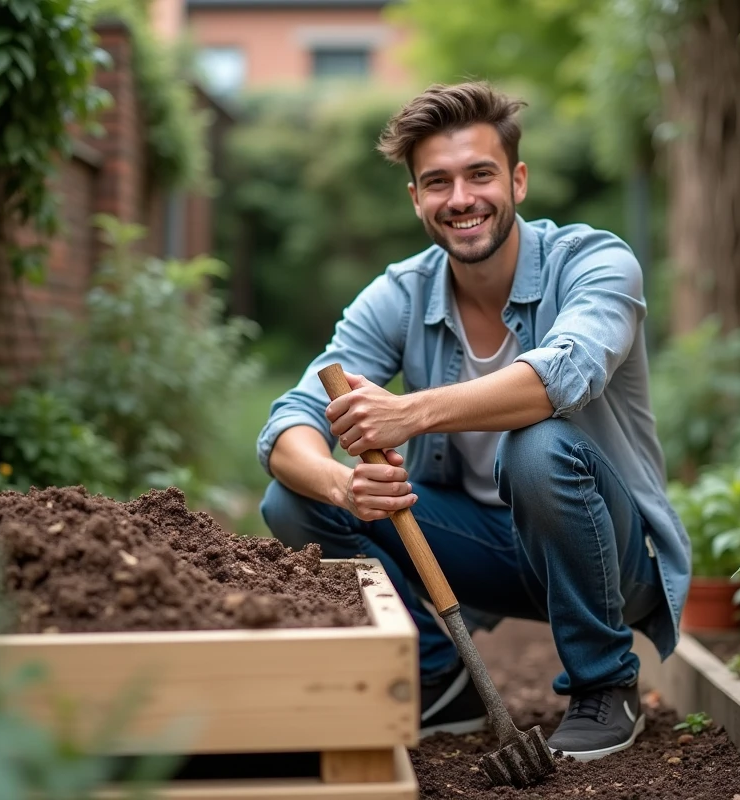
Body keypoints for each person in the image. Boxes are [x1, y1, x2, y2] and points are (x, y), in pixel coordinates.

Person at [256, 81, 690, 763]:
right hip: (488, 552)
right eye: (437, 182)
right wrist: (343, 488)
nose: (460, 198)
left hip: (611, 554)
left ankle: (605, 684)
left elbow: (563, 377)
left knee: (540, 447)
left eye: (479, 174)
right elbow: (289, 423)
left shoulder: (597, 262)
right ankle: (441, 677)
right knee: (294, 499)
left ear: (517, 179)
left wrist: (410, 413)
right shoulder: (401, 294)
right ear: (416, 199)